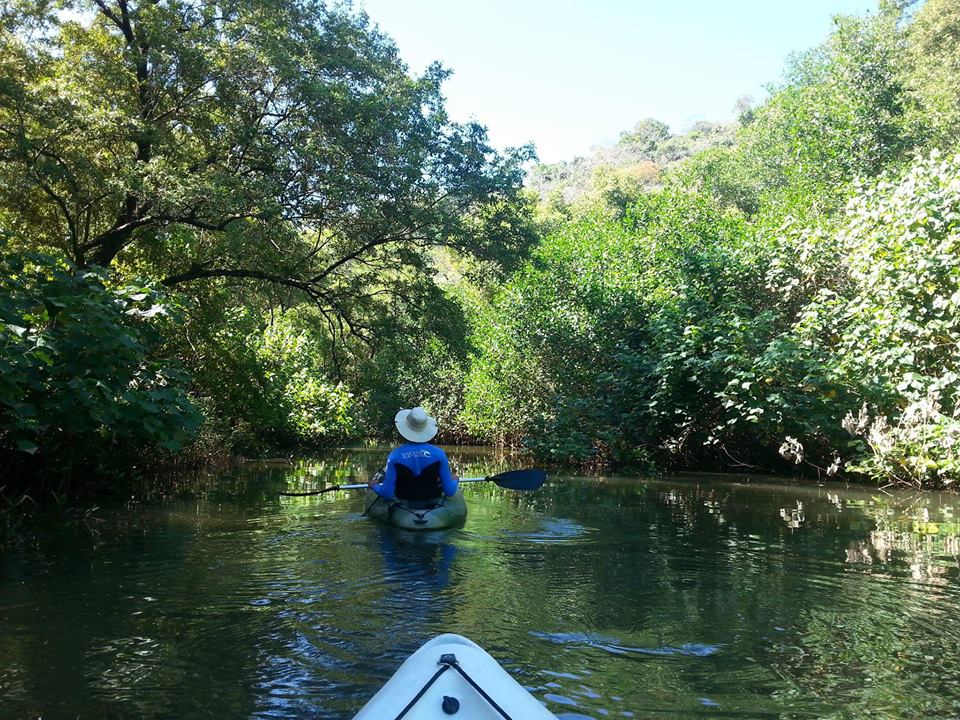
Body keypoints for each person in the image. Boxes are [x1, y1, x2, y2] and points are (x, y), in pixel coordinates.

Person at [368, 406, 459, 503]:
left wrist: (374, 485)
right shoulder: (439, 453)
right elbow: (450, 491)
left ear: (404, 429)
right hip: (433, 501)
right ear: (425, 428)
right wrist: (455, 480)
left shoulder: (394, 455)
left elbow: (387, 494)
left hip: (404, 502)